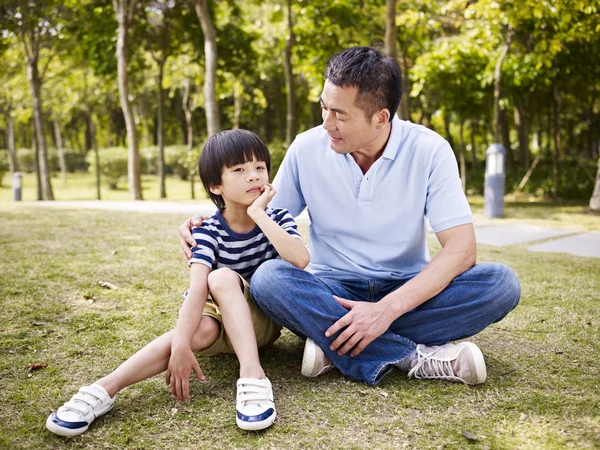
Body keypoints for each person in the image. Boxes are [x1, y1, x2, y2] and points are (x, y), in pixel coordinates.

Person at [179, 46, 520, 387]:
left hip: (406, 289)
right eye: (323, 107)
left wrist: (385, 310)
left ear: (380, 118)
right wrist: (208, 222)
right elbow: (260, 214)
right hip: (328, 288)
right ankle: (409, 355)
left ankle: (335, 342)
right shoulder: (307, 148)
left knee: (500, 285)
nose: (326, 123)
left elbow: (461, 250)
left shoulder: (429, 150)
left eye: (339, 115)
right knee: (270, 279)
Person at [46, 129, 309, 437]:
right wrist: (181, 346)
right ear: (215, 185)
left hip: (261, 321)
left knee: (221, 277)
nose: (253, 176)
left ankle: (253, 376)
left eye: (260, 167)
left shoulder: (277, 217)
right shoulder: (207, 230)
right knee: (201, 322)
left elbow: (299, 259)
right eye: (239, 170)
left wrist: (257, 213)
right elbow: (197, 288)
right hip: (219, 321)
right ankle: (103, 390)